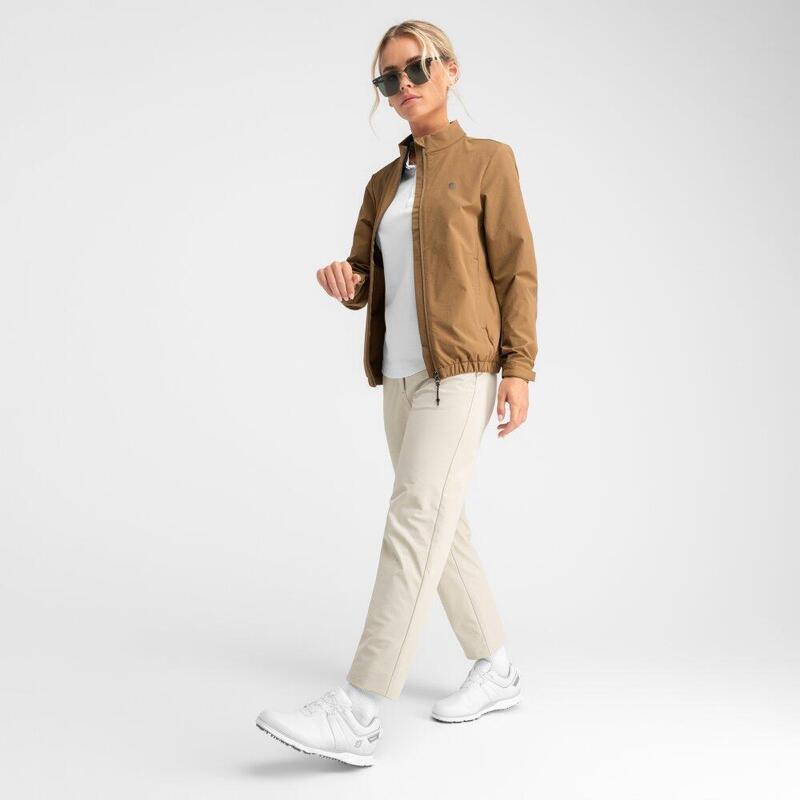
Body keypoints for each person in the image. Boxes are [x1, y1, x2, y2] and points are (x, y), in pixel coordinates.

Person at [256, 19, 538, 767]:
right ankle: (497, 669)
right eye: (389, 78)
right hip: (400, 376)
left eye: (417, 68)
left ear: (449, 70)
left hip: (462, 370)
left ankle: (358, 709)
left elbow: (516, 270)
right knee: (442, 524)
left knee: (414, 520)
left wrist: (519, 368)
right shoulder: (382, 184)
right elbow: (365, 275)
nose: (404, 85)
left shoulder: (488, 160)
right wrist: (344, 279)